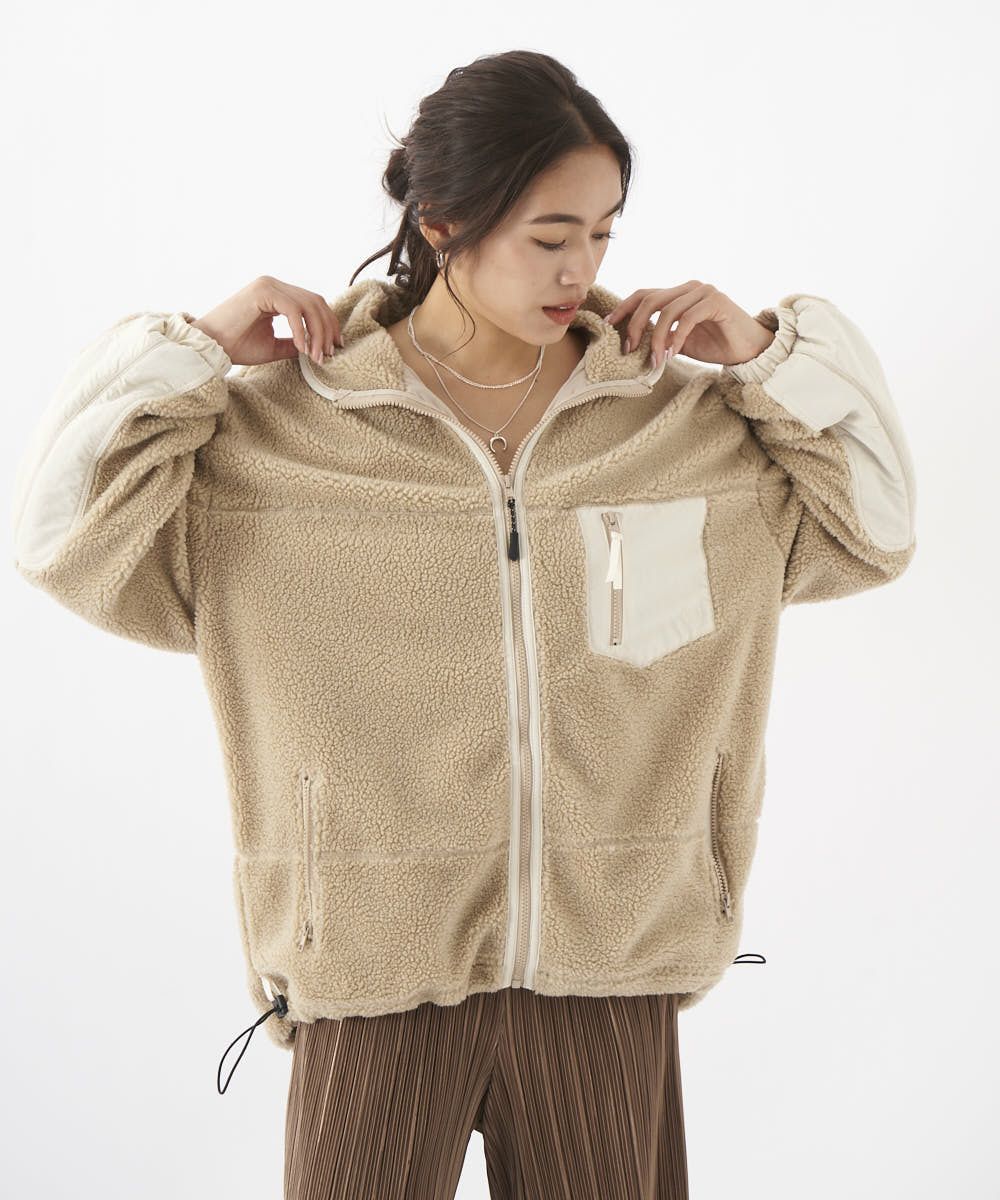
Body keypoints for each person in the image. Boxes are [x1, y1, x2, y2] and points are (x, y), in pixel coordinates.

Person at [11, 49, 917, 1200]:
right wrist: (189, 349)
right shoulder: (281, 439)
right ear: (441, 223)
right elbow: (61, 538)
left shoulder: (679, 429)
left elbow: (873, 529)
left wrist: (773, 358)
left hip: (609, 974)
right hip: (370, 976)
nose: (581, 268)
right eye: (550, 237)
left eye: (604, 233)